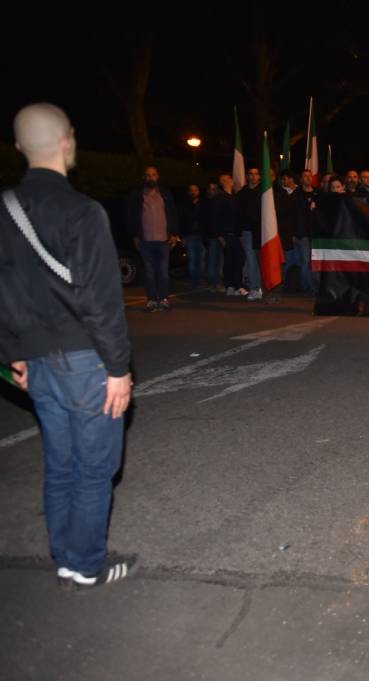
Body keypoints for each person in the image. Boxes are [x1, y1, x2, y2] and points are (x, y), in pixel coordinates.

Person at [0, 103, 134, 590]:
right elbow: (101, 300)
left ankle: (65, 556)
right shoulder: (82, 211)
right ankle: (87, 565)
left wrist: (12, 350)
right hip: (83, 359)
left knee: (61, 461)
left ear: (19, 148)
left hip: (35, 360)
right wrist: (118, 367)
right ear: (68, 140)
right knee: (96, 467)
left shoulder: (5, 210)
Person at [126, 165, 179, 311]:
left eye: (154, 175)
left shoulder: (165, 194)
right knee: (149, 272)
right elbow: (131, 216)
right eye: (148, 175)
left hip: (163, 240)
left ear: (158, 177)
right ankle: (151, 300)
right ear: (144, 177)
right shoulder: (137, 195)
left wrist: (174, 233)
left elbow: (172, 214)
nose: (151, 178)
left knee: (162, 271)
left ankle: (163, 299)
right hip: (145, 240)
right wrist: (135, 235)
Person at [235, 166, 262, 299]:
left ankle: (261, 286)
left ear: (260, 176)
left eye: (256, 174)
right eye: (250, 174)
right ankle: (254, 288)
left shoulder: (265, 193)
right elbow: (237, 215)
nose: (253, 176)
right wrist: (239, 232)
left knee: (261, 260)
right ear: (247, 176)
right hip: (247, 232)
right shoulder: (241, 194)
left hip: (263, 232)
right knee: (251, 260)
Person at [179, 184, 207, 290]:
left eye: (195, 190)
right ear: (188, 192)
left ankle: (201, 280)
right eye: (191, 190)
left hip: (201, 235)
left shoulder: (203, 204)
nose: (193, 192)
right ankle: (194, 281)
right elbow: (181, 220)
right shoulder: (185, 205)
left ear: (199, 191)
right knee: (192, 260)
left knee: (201, 260)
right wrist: (182, 236)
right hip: (189, 236)